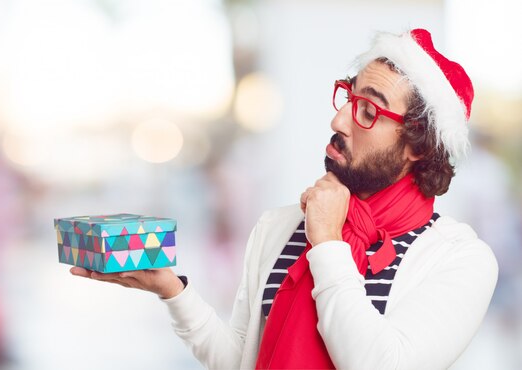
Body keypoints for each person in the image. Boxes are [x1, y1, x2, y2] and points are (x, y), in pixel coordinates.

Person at [70, 28, 498, 369]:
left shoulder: (461, 260)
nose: (338, 119)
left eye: (368, 111)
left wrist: (328, 241)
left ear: (418, 145)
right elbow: (242, 360)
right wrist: (173, 291)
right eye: (349, 97)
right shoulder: (280, 226)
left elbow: (377, 363)